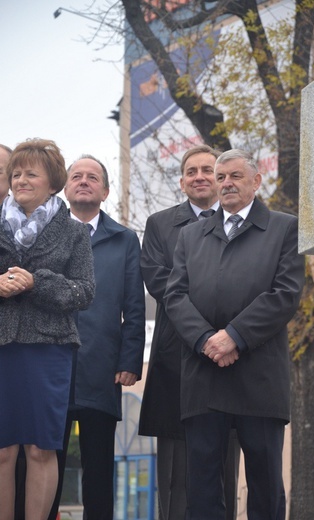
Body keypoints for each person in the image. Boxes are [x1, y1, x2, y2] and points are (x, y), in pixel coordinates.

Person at [163, 148, 306, 520]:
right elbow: (174, 295)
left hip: (258, 377)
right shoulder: (191, 236)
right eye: (221, 176)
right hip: (203, 374)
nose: (225, 183)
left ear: (256, 182)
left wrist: (235, 337)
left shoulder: (285, 228)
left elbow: (285, 294)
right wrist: (206, 340)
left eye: (235, 176)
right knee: (203, 487)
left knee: (265, 484)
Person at [139, 144, 240, 520]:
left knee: (225, 464)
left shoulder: (239, 222)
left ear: (218, 178)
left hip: (230, 352)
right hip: (176, 357)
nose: (199, 176)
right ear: (182, 182)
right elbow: (160, 282)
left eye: (207, 170)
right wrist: (205, 328)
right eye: (191, 171)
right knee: (175, 474)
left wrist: (226, 334)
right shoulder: (160, 224)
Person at [0, 138, 95, 520]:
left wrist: (35, 282)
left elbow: (85, 292)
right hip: (3, 347)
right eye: (16, 173)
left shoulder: (74, 232)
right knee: (3, 450)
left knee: (41, 448)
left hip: (49, 350)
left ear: (53, 182)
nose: (21, 180)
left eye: (31, 173)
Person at [48, 155, 146, 520]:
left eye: (92, 177)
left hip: (102, 370)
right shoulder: (46, 235)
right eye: (77, 176)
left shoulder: (124, 240)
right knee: (45, 467)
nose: (84, 181)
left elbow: (134, 306)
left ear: (105, 191)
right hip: (50, 365)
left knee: (99, 471)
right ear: (65, 188)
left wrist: (129, 361)